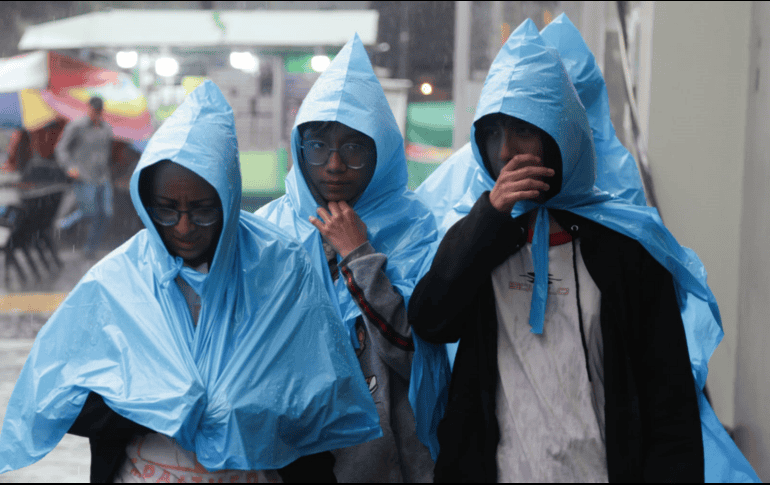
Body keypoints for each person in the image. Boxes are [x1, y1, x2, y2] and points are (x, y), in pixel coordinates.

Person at [408, 19, 759, 483]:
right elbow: (431, 318)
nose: (506, 151)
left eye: (523, 132)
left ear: (562, 135)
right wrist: (489, 217)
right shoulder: (480, 240)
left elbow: (667, 402)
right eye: (493, 135)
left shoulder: (624, 249)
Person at [0, 80, 381, 483]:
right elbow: (64, 402)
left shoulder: (280, 269)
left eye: (202, 210)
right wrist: (155, 402)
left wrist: (250, 403)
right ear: (146, 205)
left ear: (229, 199)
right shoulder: (119, 281)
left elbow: (320, 402)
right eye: (166, 210)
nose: (183, 227)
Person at [256, 34, 449, 483]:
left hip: (382, 459)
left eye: (355, 149)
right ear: (299, 147)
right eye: (319, 146)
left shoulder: (414, 227)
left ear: (380, 152)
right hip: (288, 456)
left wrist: (358, 255)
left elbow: (417, 355)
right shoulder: (271, 228)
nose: (335, 165)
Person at [55, 96, 114, 259]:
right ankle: (63, 225)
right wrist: (69, 167)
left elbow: (107, 152)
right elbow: (61, 149)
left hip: (102, 177)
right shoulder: (76, 126)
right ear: (88, 109)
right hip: (83, 176)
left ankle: (90, 248)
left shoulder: (106, 129)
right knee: (89, 212)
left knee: (106, 214)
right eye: (93, 110)